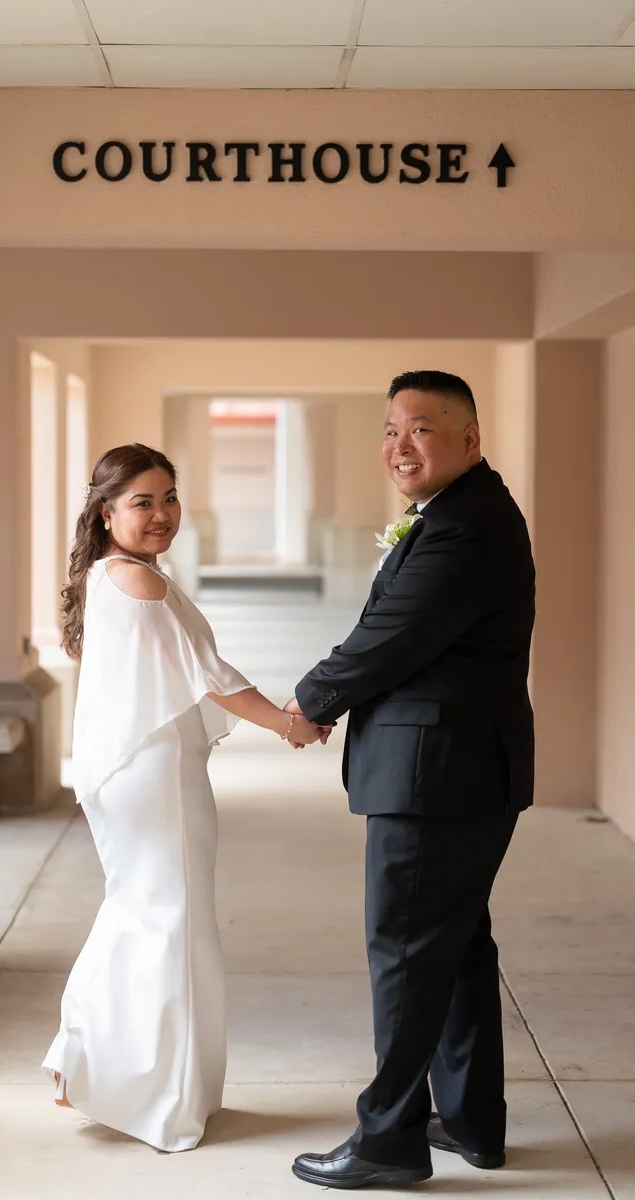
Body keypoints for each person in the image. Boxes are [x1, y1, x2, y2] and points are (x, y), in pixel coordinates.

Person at [286, 371, 536, 1188]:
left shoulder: (467, 528)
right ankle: (469, 1122)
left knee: (404, 952)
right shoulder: (460, 514)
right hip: (462, 768)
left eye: (422, 430)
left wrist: (310, 702)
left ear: (469, 439)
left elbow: (395, 634)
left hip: (437, 774)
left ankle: (387, 1139)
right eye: (392, 429)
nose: (400, 446)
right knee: (456, 946)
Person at [42, 442, 325, 1154]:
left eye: (170, 498)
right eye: (143, 502)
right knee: (171, 919)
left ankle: (95, 1067)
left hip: (135, 771)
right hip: (154, 777)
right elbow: (213, 676)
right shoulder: (138, 583)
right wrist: (291, 722)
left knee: (147, 912)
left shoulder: (117, 575)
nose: (162, 514)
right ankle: (152, 1096)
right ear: (107, 514)